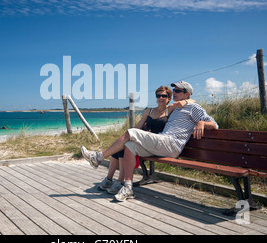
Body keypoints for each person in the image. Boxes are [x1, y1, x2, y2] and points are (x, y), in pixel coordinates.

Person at [81, 81, 218, 201]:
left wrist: (201, 123)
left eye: (178, 91)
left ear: (187, 93)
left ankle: (98, 157)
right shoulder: (176, 108)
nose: (175, 93)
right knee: (130, 145)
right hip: (163, 141)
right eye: (174, 90)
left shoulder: (194, 107)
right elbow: (168, 109)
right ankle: (128, 187)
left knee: (131, 132)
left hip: (172, 144)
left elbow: (214, 124)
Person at [98, 85, 196, 194]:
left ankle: (119, 181)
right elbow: (138, 127)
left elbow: (192, 101)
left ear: (169, 98)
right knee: (122, 146)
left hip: (159, 144)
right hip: (146, 140)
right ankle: (109, 179)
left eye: (164, 96)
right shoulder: (149, 111)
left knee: (124, 146)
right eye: (158, 95)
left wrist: (185, 103)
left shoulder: (171, 109)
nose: (161, 98)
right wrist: (126, 136)